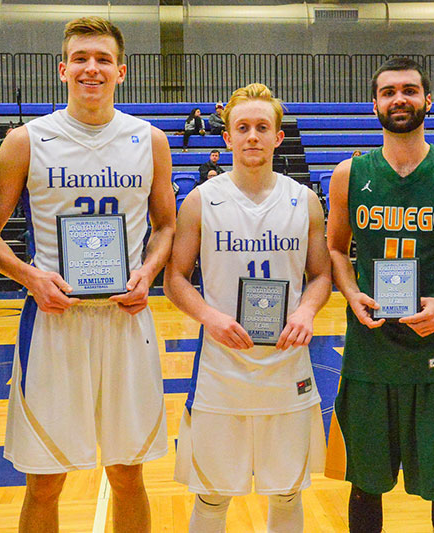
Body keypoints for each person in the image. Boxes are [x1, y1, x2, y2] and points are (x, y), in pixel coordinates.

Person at [0, 17, 175, 532]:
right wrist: (31, 278)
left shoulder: (149, 140)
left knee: (128, 473)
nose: (91, 68)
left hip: (124, 320)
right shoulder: (26, 141)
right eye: (81, 58)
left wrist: (148, 273)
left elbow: (166, 227)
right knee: (44, 481)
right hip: (55, 323)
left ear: (121, 71)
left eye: (102, 59)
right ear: (63, 69)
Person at [324, 57, 434, 533]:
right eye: (389, 91)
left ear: (427, 100)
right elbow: (335, 249)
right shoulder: (347, 175)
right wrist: (352, 292)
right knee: (365, 483)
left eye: (410, 90)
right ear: (374, 104)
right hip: (369, 350)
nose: (400, 99)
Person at [165, 83, 332, 532]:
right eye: (243, 128)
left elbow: (321, 276)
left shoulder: (305, 201)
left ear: (279, 136)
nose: (253, 136)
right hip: (222, 366)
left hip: (286, 363)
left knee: (286, 490)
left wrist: (305, 312)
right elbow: (175, 279)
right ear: (227, 137)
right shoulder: (201, 201)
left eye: (262, 127)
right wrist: (210, 317)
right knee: (213, 493)